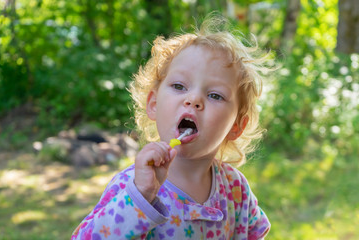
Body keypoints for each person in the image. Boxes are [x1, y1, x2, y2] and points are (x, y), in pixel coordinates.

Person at [71, 14, 272, 240]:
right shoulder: (133, 187)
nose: (194, 99)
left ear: (236, 126)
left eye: (215, 95)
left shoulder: (236, 189)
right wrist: (142, 197)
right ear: (154, 104)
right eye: (179, 86)